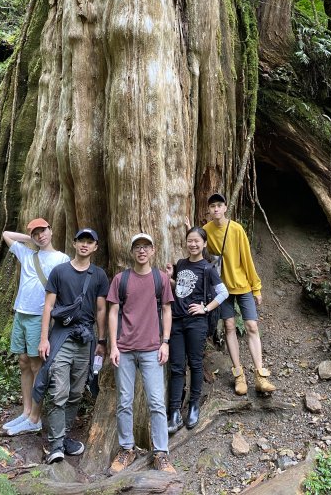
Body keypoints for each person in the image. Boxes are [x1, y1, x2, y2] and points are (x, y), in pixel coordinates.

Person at [34, 228, 109, 464]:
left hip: (85, 341)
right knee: (59, 391)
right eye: (81, 241)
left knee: (76, 393)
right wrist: (44, 339)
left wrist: (102, 340)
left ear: (95, 247)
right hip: (61, 338)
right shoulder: (60, 272)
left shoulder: (98, 275)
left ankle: (64, 437)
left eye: (90, 242)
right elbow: (48, 307)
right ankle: (56, 445)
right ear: (74, 244)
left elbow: (100, 310)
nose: (85, 245)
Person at [108, 233, 176, 474]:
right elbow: (113, 312)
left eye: (146, 246)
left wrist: (165, 342)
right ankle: (126, 449)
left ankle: (161, 454)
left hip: (151, 350)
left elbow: (167, 310)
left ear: (153, 250)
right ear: (132, 251)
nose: (142, 250)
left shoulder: (160, 279)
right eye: (137, 247)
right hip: (125, 350)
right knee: (124, 402)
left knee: (157, 403)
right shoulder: (121, 279)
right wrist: (113, 346)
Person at [202, 193, 276, 395]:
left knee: (252, 325)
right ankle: (239, 375)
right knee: (229, 326)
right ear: (208, 210)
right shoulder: (205, 231)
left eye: (219, 205)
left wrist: (256, 287)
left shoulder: (236, 229)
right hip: (223, 289)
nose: (216, 209)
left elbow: (247, 259)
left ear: (225, 208)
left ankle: (260, 376)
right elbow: (197, 247)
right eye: (212, 206)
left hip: (242, 285)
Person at [1, 218, 69, 436]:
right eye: (36, 233)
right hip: (20, 313)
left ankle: (35, 418)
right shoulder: (27, 254)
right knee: (23, 362)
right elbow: (6, 235)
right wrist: (27, 237)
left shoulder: (61, 258)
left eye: (43, 231)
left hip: (40, 316)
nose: (41, 236)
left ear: (51, 230)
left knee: (36, 365)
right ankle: (26, 411)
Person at [165, 227, 229, 433]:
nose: (193, 244)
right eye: (189, 241)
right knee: (176, 367)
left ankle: (193, 406)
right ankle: (174, 412)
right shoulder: (181, 264)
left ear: (204, 244)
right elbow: (181, 288)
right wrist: (170, 277)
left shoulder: (208, 268)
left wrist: (205, 308)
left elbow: (223, 293)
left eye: (197, 241)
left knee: (195, 363)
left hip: (196, 322)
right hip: (176, 320)